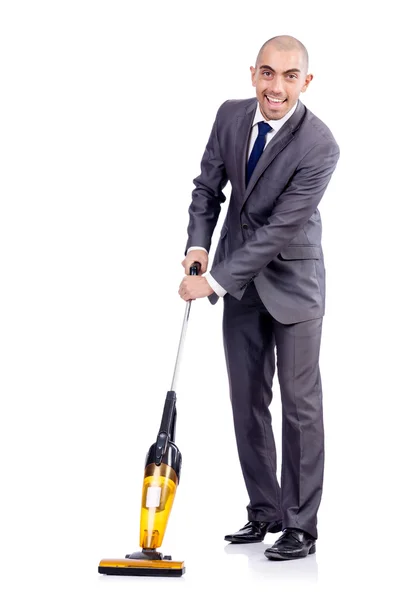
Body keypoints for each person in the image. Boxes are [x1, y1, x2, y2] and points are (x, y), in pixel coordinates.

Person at [178, 35, 339, 561]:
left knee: (299, 408)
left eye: (290, 76)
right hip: (239, 280)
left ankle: (300, 525)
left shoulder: (319, 145)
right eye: (268, 73)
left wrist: (215, 280)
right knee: (247, 400)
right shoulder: (229, 116)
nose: (276, 86)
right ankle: (264, 511)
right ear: (253, 74)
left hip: (292, 285)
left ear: (305, 82)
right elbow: (208, 188)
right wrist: (198, 245)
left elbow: (280, 230)